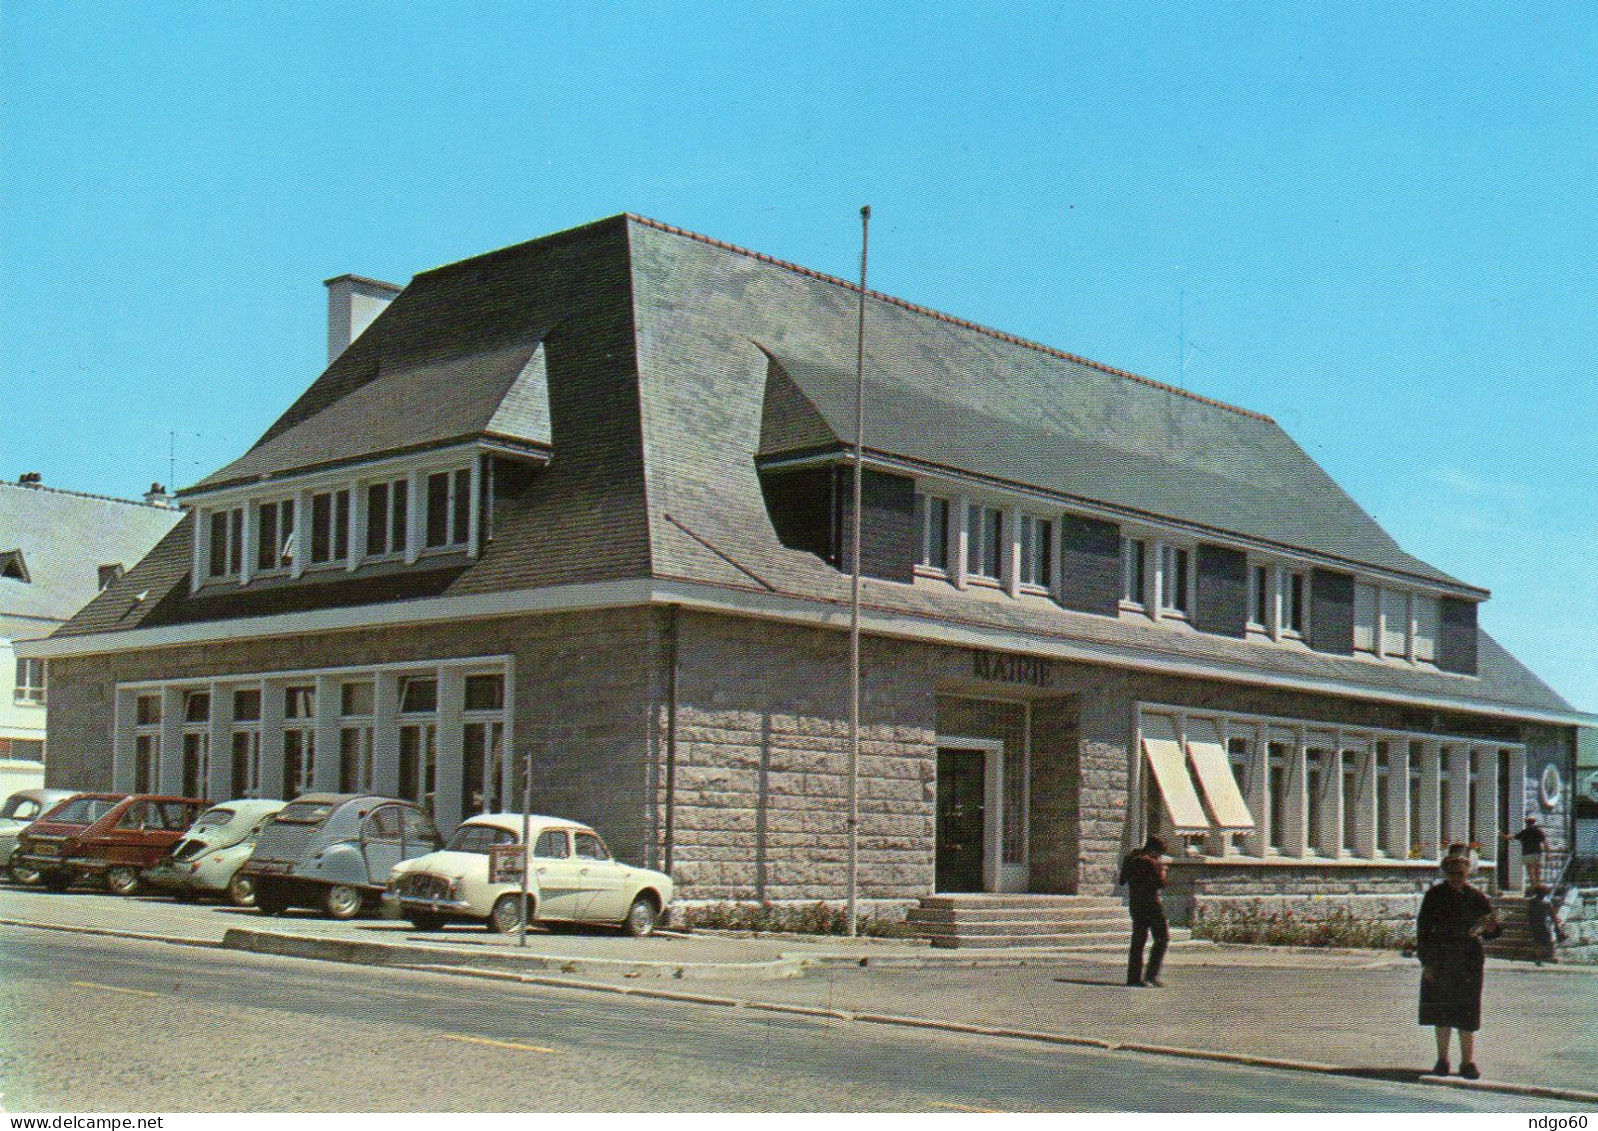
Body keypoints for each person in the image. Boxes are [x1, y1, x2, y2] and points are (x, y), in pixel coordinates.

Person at [1417, 853, 1500, 1079]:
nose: (1456, 878)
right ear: (1445, 872)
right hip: (1441, 959)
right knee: (1441, 1013)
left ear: (1467, 874)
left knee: (1467, 1014)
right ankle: (1442, 1060)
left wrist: (1492, 928)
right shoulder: (1434, 896)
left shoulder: (1477, 897)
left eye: (1461, 874)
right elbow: (1423, 931)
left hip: (1468, 962)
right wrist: (1427, 963)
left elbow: (1491, 929)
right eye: (1452, 874)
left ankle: (1467, 1063)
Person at [1119, 835, 1169, 988]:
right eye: (1159, 853)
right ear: (1155, 850)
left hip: (1136, 903)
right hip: (1151, 905)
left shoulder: (1130, 858)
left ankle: (1133, 978)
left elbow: (1122, 880)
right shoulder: (1151, 863)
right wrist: (1163, 871)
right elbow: (1161, 884)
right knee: (1162, 938)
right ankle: (1150, 975)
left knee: (1138, 941)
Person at [1502, 817, 1547, 889]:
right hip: (1537, 852)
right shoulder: (1538, 831)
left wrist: (1503, 836)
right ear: (1534, 822)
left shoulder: (1525, 831)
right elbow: (1545, 843)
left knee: (1530, 871)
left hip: (1527, 852)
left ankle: (1533, 886)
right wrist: (1548, 853)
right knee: (1537, 870)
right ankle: (1538, 886)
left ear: (1526, 823)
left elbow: (1512, 837)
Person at [1526, 883, 1559, 966]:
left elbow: (1529, 914)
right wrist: (1557, 925)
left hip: (1535, 924)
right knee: (1551, 940)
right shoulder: (1547, 902)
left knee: (1538, 943)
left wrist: (1530, 924)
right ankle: (1553, 956)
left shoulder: (1531, 901)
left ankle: (1539, 959)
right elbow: (1553, 915)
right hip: (1545, 925)